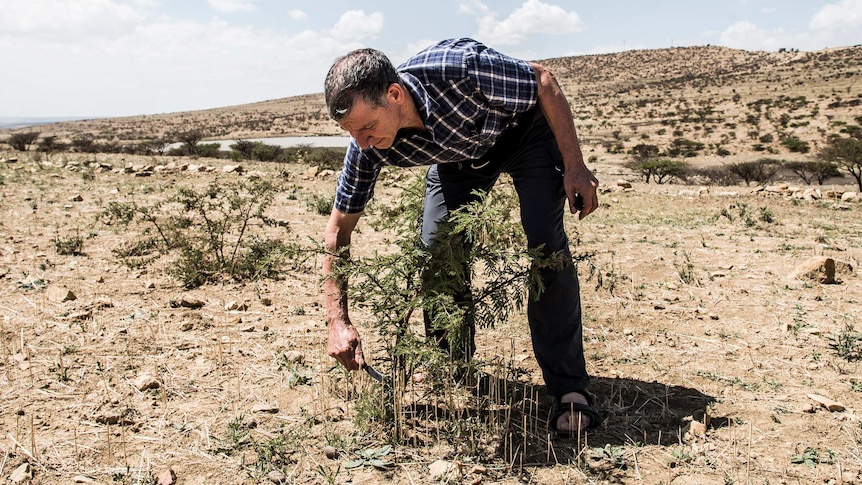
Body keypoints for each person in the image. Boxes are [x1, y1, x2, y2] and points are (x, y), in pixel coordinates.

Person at [322, 38, 601, 435]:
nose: (362, 142)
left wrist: (574, 164)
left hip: (524, 136)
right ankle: (451, 366)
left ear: (395, 94)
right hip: (458, 159)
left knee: (545, 247)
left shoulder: (461, 70)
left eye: (367, 127)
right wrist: (338, 321)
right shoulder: (366, 148)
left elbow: (543, 80)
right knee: (436, 249)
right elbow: (336, 233)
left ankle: (570, 388)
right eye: (352, 133)